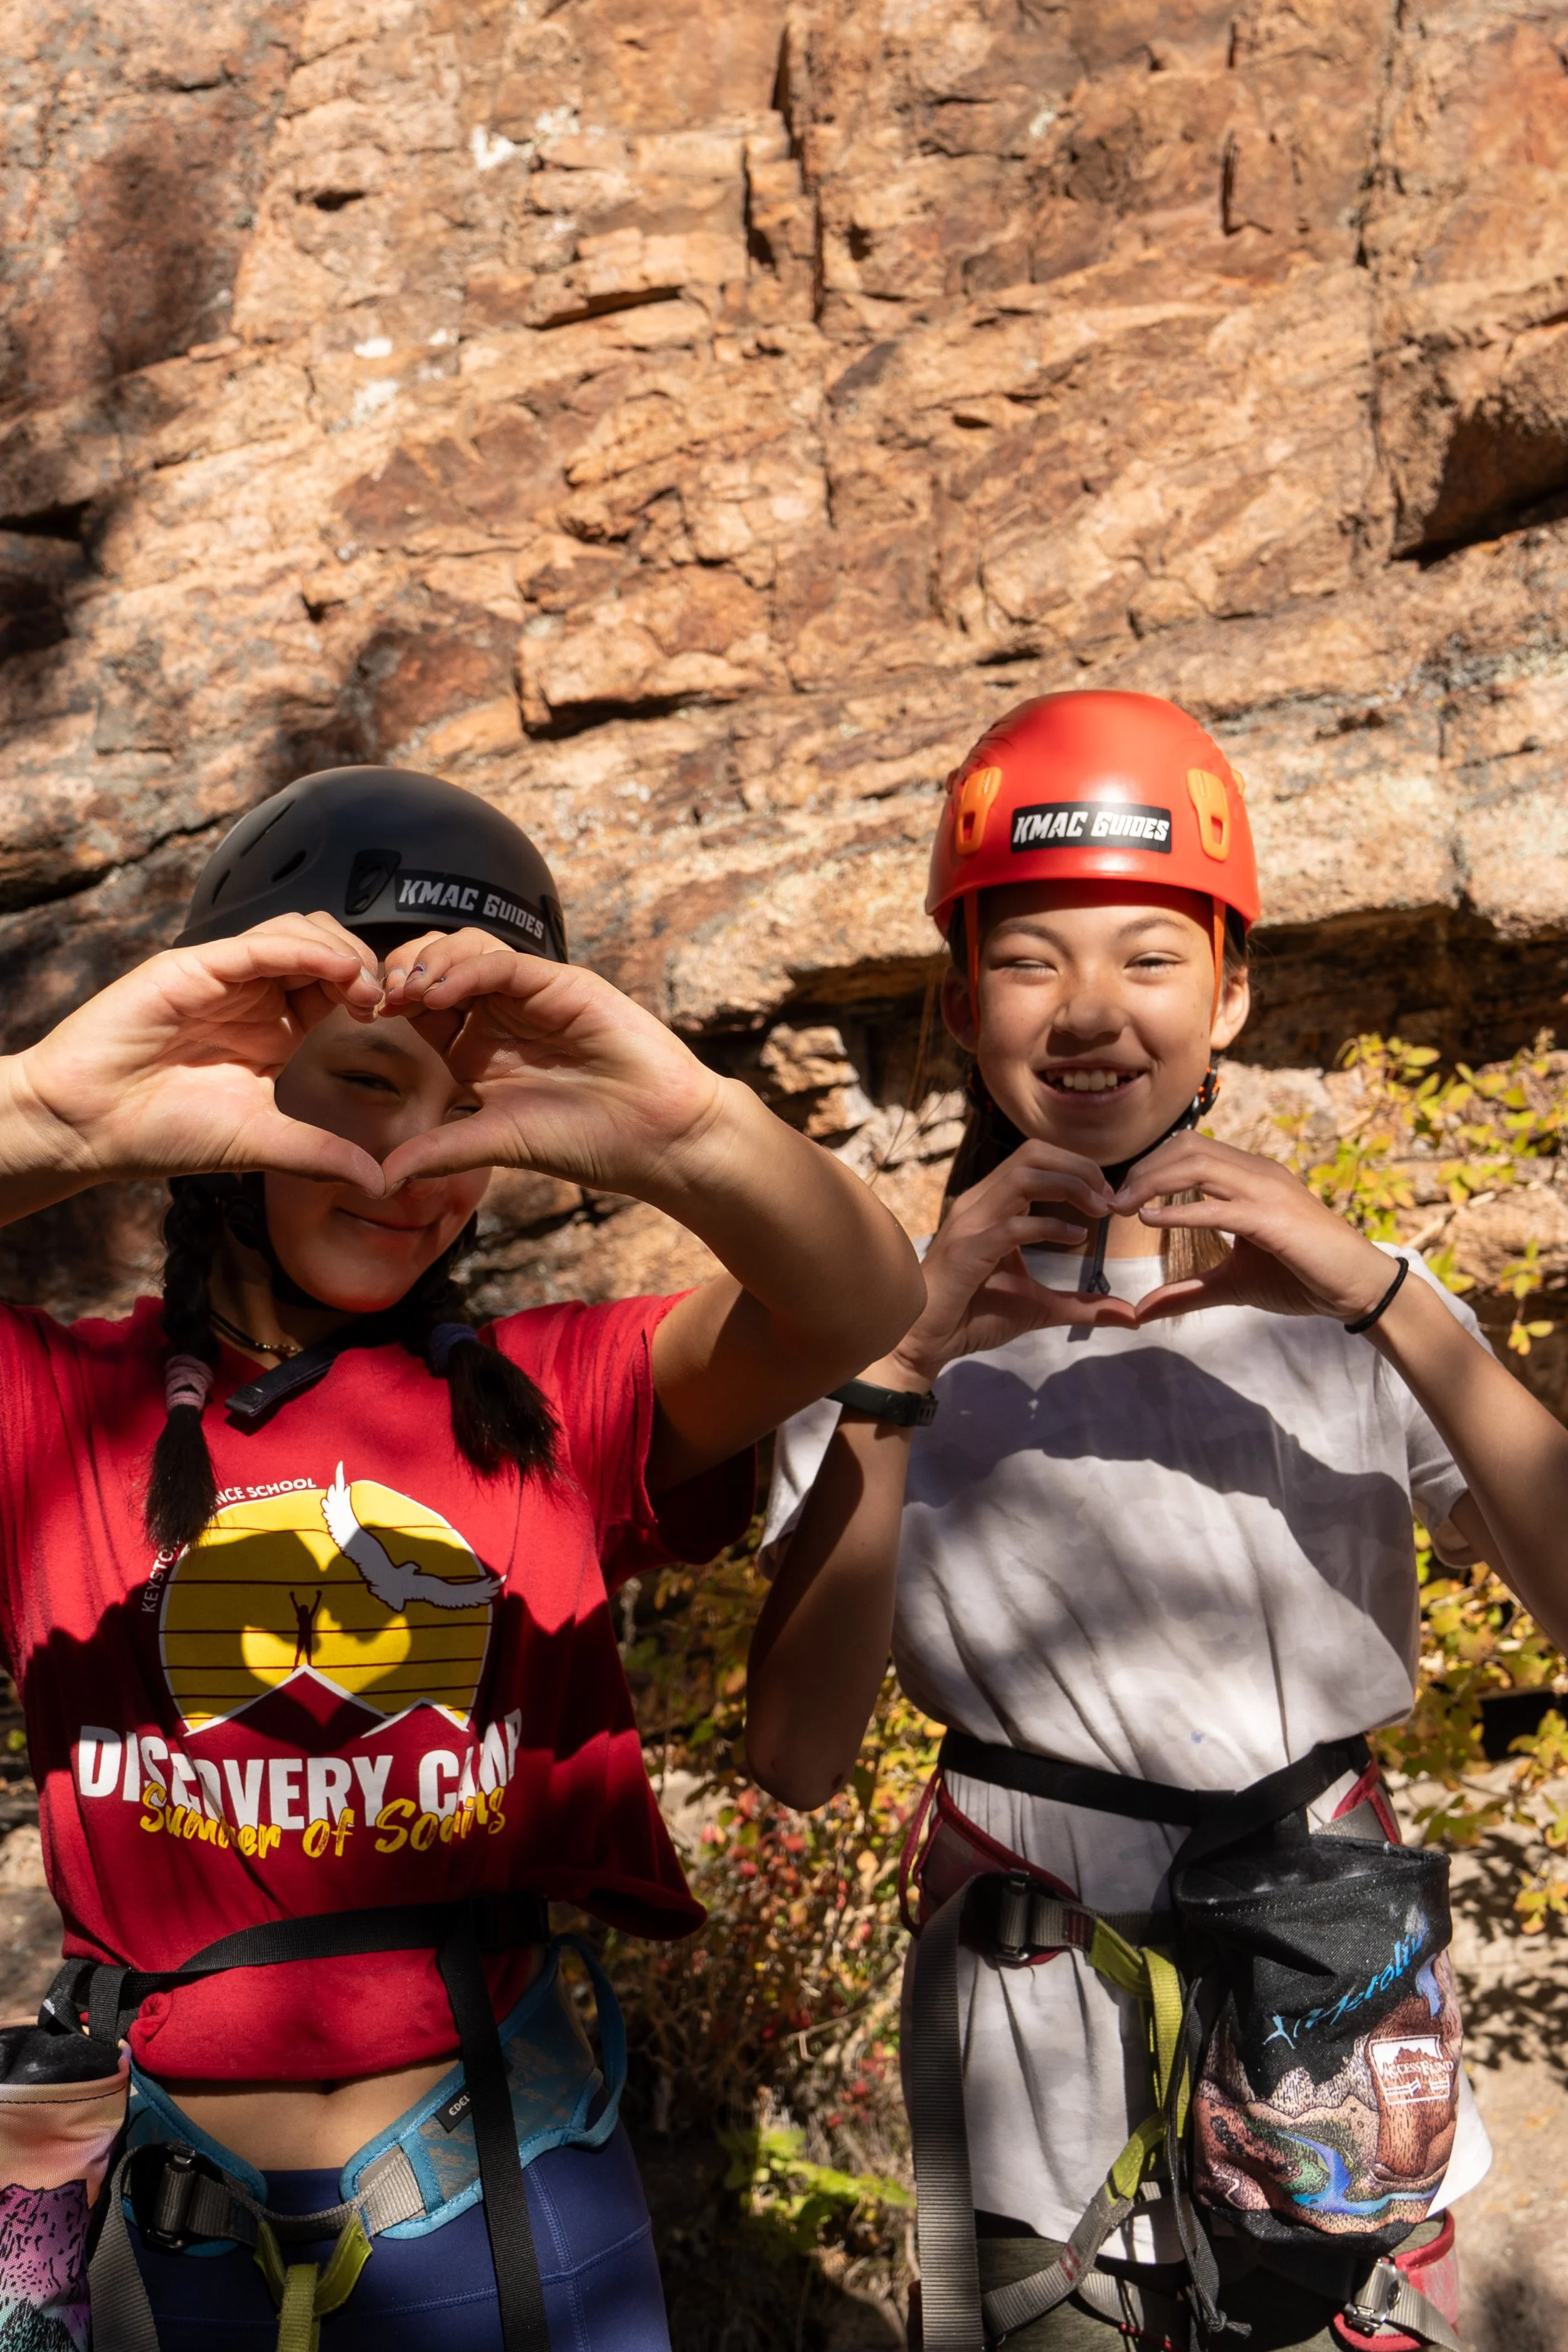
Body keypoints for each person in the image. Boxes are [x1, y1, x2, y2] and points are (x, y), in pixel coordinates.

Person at [0, 765, 923, 2352]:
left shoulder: (551, 1396)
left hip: (515, 2206)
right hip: (198, 2227)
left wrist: (682, 1124)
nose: (405, 1152)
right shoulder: (60, 1410)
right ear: (233, 1090)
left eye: (455, 1097)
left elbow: (853, 1306)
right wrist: (52, 1115)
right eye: (353, 1077)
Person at [746, 691, 1568, 2351]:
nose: (1091, 1012)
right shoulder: (867, 1338)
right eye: (1032, 956)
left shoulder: (1342, 1310)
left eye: (1150, 952)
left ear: (1233, 986)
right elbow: (793, 1754)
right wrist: (897, 1371)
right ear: (961, 992)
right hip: (1033, 1994)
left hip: (1319, 1959)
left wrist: (1388, 1299)